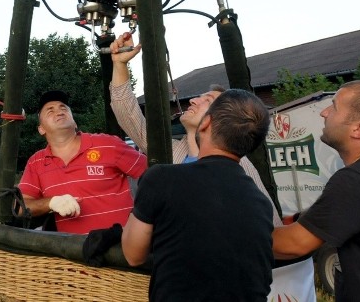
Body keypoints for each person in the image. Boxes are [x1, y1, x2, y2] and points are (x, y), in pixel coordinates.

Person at [108, 31, 317, 300]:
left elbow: (267, 235)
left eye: (207, 100)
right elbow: (128, 114)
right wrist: (120, 65)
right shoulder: (173, 152)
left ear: (215, 121)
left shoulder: (244, 174)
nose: (194, 100)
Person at [121, 89, 274, 301]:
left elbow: (133, 255)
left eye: (207, 100)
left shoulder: (162, 178)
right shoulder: (261, 203)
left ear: (205, 123)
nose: (193, 99)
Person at [272, 80, 360, 301]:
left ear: (358, 129)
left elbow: (292, 244)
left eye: (333, 106)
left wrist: (236, 232)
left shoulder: (356, 180)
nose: (324, 112)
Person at [17, 90, 148, 234]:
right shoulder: (36, 162)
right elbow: (21, 206)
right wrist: (51, 202)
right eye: (50, 111)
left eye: (63, 108)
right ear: (41, 129)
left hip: (122, 248)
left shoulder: (108, 144)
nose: (59, 112)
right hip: (74, 252)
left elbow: (154, 176)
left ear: (75, 123)